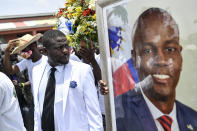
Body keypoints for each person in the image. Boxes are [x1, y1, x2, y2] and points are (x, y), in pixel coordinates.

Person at [116, 8, 197, 131]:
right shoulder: (118, 114)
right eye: (148, 50)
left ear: (180, 55)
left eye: (170, 49)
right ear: (134, 58)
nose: (161, 60)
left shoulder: (193, 118)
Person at [32, 30, 103, 131]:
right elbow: (37, 110)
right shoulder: (37, 71)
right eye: (59, 48)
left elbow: (94, 113)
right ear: (45, 51)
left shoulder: (82, 71)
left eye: (66, 46)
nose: (65, 50)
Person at [3, 33, 47, 131]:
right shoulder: (27, 62)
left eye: (23, 50)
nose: (22, 53)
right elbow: (10, 70)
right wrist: (6, 52)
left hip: (47, 102)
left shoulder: (47, 61)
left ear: (33, 46)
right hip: (35, 103)